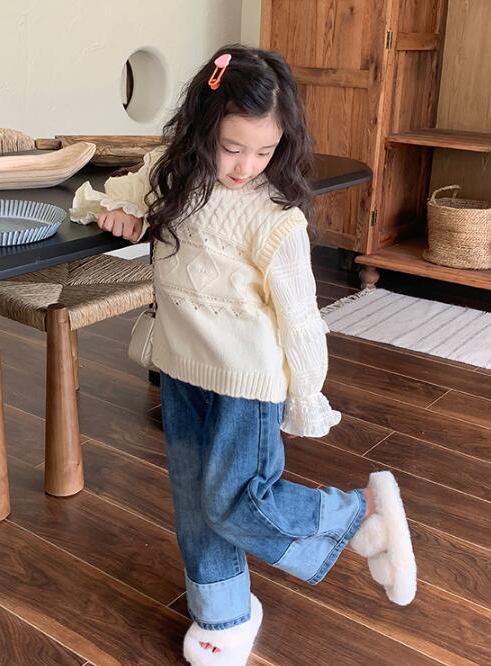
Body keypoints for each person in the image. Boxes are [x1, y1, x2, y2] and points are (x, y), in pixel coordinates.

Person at [70, 44, 416, 666]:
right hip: (180, 366)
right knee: (193, 503)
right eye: (232, 148)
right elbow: (122, 196)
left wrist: (306, 396)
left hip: (248, 383)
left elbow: (301, 321)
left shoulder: (275, 218)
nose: (246, 166)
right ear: (203, 128)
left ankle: (359, 512)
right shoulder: (172, 176)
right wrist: (120, 213)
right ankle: (223, 614)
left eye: (265, 151)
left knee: (235, 503)